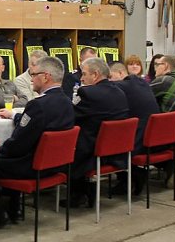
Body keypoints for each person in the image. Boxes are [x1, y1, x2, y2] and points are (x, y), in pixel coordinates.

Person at [0, 56, 74, 226]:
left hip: (31, 166)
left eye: (34, 74)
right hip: (55, 165)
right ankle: (14, 209)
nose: (31, 78)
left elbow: (19, 143)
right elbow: (36, 124)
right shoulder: (66, 102)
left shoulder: (38, 105)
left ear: (45, 76)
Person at [67, 58, 129, 207]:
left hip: (91, 152)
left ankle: (78, 193)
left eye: (84, 74)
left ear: (95, 75)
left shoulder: (87, 93)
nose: (81, 78)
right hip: (117, 151)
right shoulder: (120, 91)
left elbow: (70, 116)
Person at [109, 62, 160, 196]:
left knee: (107, 145)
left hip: (138, 138)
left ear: (120, 73)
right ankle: (129, 178)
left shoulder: (120, 85)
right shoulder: (141, 82)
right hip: (152, 136)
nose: (109, 80)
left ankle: (131, 177)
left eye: (110, 76)